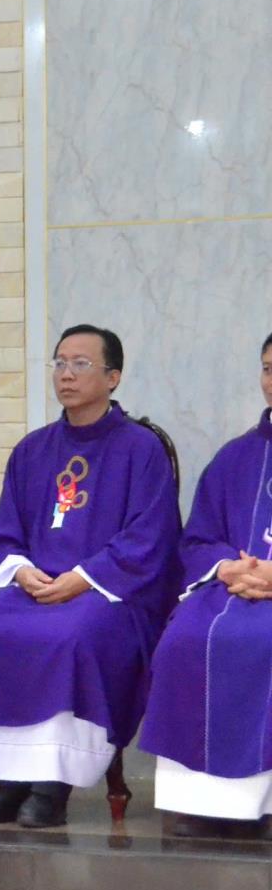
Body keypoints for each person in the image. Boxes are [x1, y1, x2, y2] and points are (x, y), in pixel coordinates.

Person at [0, 325, 182, 828]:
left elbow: (151, 537)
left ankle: (51, 785)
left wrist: (84, 577)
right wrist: (21, 571)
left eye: (81, 364)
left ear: (113, 377)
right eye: (59, 363)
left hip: (109, 593)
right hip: (36, 587)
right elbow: (8, 531)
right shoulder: (32, 450)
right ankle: (4, 782)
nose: (66, 375)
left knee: (73, 636)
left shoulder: (141, 449)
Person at [139, 333, 272, 837]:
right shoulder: (235, 457)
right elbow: (196, 538)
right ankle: (202, 801)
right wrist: (227, 568)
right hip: (231, 587)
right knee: (185, 639)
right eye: (267, 368)